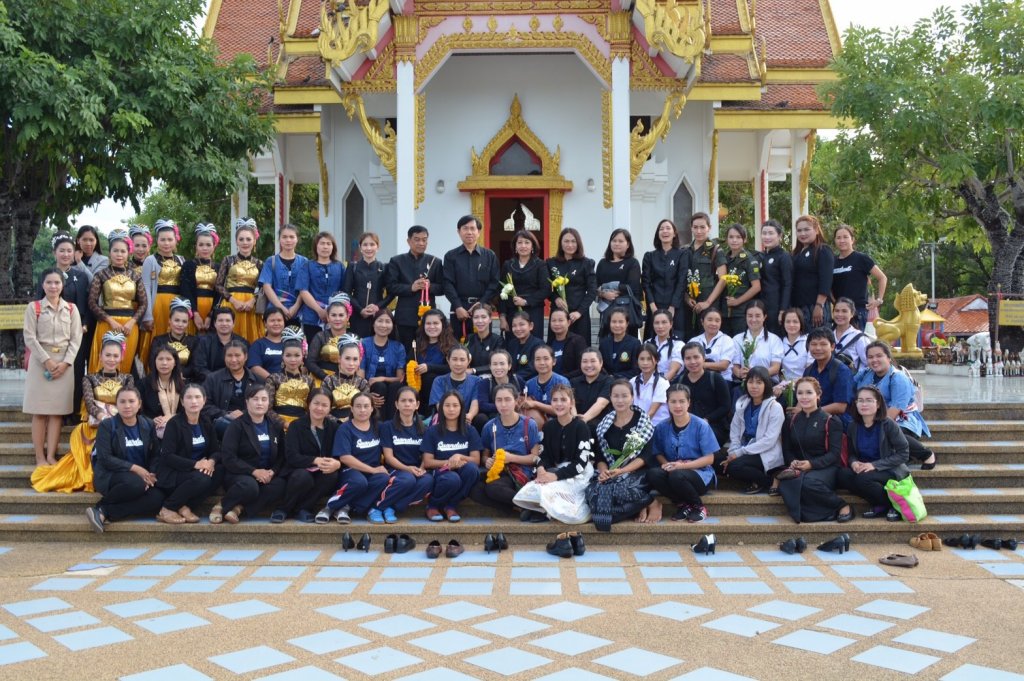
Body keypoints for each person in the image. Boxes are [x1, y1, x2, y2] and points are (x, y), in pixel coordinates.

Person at [32, 332, 133, 493]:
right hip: (95, 426)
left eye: (115, 355)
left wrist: (115, 420)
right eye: (107, 355)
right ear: (100, 356)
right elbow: (89, 403)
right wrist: (103, 417)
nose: (111, 359)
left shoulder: (128, 379)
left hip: (120, 424)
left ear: (122, 357)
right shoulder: (89, 378)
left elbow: (129, 402)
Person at [24, 268, 83, 465]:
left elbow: (76, 338)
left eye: (57, 282)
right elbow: (29, 337)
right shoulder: (34, 308)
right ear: (42, 285)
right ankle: (39, 456)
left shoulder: (72, 309)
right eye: (49, 282)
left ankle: (51, 455)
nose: (53, 286)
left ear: (62, 285)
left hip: (64, 364)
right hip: (40, 363)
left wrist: (66, 363)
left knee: (57, 413)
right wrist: (46, 361)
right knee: (39, 412)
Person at [84, 386, 163, 533]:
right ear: (116, 405)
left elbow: (155, 454)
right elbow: (105, 458)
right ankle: (103, 505)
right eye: (122, 402)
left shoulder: (148, 424)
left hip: (140, 478)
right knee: (136, 484)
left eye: (131, 401)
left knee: (157, 498)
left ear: (139, 404)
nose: (127, 406)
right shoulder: (107, 425)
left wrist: (151, 474)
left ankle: (104, 511)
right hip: (111, 475)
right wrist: (136, 469)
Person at [513, 384, 595, 524]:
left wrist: (555, 476)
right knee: (533, 487)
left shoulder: (581, 427)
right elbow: (544, 455)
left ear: (571, 403)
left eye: (563, 400)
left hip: (578, 473)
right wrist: (541, 468)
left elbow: (581, 463)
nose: (559, 404)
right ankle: (543, 509)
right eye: (555, 400)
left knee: (550, 489)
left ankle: (545, 511)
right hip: (555, 470)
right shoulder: (549, 426)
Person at [777, 377, 852, 523]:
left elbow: (834, 454)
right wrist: (793, 462)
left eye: (809, 392)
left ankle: (842, 505)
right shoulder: (791, 420)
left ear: (818, 395)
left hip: (826, 468)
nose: (804, 397)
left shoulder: (831, 420)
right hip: (799, 467)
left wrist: (811, 464)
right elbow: (787, 449)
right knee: (788, 483)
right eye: (800, 393)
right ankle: (824, 512)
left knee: (806, 483)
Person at [586, 379, 657, 530]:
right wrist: (604, 471)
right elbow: (600, 456)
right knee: (592, 491)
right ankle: (638, 507)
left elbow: (645, 457)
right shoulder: (604, 424)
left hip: (637, 472)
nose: (620, 400)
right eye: (616, 396)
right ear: (610, 398)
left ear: (632, 397)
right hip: (612, 472)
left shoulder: (643, 422)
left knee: (616, 491)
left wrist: (622, 470)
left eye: (624, 396)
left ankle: (651, 501)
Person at [853, 341, 936, 468]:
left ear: (888, 357)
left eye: (879, 356)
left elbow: (895, 410)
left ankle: (926, 454)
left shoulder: (898, 378)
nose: (874, 360)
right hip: (870, 418)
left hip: (901, 420)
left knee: (886, 431)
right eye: (870, 357)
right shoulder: (865, 373)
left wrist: (873, 426)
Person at [215, 385, 286, 524]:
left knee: (281, 485)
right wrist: (254, 471)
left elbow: (282, 456)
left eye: (264, 399)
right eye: (255, 399)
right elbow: (229, 458)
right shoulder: (236, 426)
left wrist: (272, 471)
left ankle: (239, 508)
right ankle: (221, 505)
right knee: (250, 487)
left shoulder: (275, 426)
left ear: (269, 403)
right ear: (247, 402)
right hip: (240, 473)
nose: (260, 403)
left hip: (265, 475)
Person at [648, 384, 720, 522]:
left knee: (677, 475)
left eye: (682, 401)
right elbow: (658, 453)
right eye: (673, 401)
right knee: (653, 474)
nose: (677, 405)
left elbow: (709, 459)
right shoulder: (662, 427)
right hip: (674, 472)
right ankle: (683, 505)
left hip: (700, 475)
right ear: (667, 403)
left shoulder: (701, 425)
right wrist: (667, 464)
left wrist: (681, 466)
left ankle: (699, 507)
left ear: (688, 402)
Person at [836, 386, 909, 522]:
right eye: (860, 400)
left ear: (878, 404)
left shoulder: (888, 424)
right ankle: (880, 504)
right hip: (865, 469)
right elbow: (851, 454)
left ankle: (894, 505)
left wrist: (874, 465)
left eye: (869, 400)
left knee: (863, 479)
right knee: (842, 475)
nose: (864, 404)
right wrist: (854, 463)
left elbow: (903, 453)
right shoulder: (853, 426)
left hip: (888, 469)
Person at [38, 234, 91, 419]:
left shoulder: (81, 276)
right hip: (52, 334)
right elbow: (39, 303)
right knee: (53, 370)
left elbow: (86, 303)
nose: (66, 254)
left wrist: (84, 324)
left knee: (75, 370)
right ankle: (52, 411)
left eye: (69, 251)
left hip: (76, 332)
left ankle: (73, 410)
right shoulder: (47, 275)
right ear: (55, 253)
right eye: (62, 251)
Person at [154, 383, 222, 524]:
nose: (194, 401)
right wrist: (196, 464)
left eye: (197, 397)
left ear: (204, 400)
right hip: (174, 472)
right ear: (182, 401)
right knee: (202, 479)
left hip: (197, 471)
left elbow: (216, 450)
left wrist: (211, 462)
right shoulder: (174, 423)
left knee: (220, 471)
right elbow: (167, 456)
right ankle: (167, 508)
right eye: (189, 397)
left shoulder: (206, 421)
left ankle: (184, 506)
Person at [471, 385, 539, 518]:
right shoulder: (489, 426)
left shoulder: (529, 424)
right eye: (499, 400)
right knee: (473, 488)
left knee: (493, 488)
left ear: (516, 401)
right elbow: (485, 455)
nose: (503, 404)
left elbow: (535, 458)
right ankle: (519, 508)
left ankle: (529, 506)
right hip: (498, 471)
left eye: (507, 399)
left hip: (520, 472)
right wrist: (487, 461)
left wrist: (511, 458)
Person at [87, 229, 147, 374]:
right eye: (115, 251)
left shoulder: (135, 276)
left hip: (129, 327)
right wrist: (110, 321)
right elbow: (92, 302)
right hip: (107, 323)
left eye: (123, 251)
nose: (119, 254)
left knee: (125, 363)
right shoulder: (101, 275)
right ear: (110, 253)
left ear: (128, 253)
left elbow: (143, 303)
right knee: (103, 364)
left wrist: (132, 322)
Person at [326, 392, 392, 524]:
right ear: (351, 409)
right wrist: (373, 470)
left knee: (384, 478)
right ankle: (330, 506)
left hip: (371, 471)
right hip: (350, 471)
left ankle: (349, 507)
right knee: (359, 482)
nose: (362, 410)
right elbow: (345, 458)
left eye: (366, 406)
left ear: (372, 408)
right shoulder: (344, 428)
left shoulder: (378, 427)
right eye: (358, 406)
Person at [418, 391, 483, 522]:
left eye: (455, 405)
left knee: (472, 470)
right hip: (440, 472)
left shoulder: (470, 430)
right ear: (441, 408)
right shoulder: (432, 431)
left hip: (462, 469)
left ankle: (451, 506)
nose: (451, 409)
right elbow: (428, 462)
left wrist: (459, 456)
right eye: (447, 405)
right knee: (452, 479)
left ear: (461, 408)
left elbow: (476, 460)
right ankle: (433, 506)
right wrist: (449, 463)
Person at [280, 388, 340, 523]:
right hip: (298, 469)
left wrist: (337, 463)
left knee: (332, 475)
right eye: (316, 403)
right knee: (303, 476)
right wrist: (314, 460)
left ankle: (303, 508)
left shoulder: (334, 427)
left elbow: (339, 454)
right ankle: (284, 508)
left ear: (330, 408)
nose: (319, 408)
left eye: (324, 405)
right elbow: (291, 456)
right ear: (308, 404)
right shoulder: (296, 425)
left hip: (322, 471)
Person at [724, 366, 785, 494]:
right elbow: (735, 432)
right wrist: (733, 451)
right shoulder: (742, 404)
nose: (754, 386)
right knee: (717, 461)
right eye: (750, 382)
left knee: (734, 467)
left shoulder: (775, 407)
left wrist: (739, 453)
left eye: (759, 382)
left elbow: (769, 441)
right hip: (744, 449)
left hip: (764, 451)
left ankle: (770, 481)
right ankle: (755, 479)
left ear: (766, 384)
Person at [377, 387, 433, 523]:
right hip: (395, 469)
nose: (407, 404)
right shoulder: (387, 426)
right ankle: (377, 507)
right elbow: (388, 457)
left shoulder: (425, 429)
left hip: (415, 469)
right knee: (408, 480)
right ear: (396, 404)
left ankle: (392, 507)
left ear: (417, 405)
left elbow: (426, 455)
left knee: (428, 480)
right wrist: (408, 469)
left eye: (411, 401)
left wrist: (421, 468)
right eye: (403, 401)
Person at [386, 225, 443, 352]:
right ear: (409, 241)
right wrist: (411, 287)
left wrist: (430, 286)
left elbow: (442, 288)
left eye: (424, 240)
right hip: (405, 316)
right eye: (417, 239)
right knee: (406, 350)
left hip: (428, 317)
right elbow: (391, 286)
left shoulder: (435, 262)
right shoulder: (397, 261)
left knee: (427, 350)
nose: (421, 243)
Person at [443, 215, 500, 341]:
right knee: (458, 344)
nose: (469, 232)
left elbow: (494, 283)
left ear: (478, 232)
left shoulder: (489, 256)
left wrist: (482, 303)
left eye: (472, 228)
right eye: (465, 228)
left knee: (483, 343)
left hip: (482, 308)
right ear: (459, 232)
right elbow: (447, 283)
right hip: (459, 309)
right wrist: (457, 306)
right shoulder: (450, 256)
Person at [140, 218, 185, 362]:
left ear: (176, 240)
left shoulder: (181, 260)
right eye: (163, 239)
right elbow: (146, 287)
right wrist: (148, 315)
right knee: (158, 339)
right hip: (158, 305)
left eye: (170, 239)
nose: (166, 243)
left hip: (176, 305)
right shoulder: (150, 260)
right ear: (157, 241)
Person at [216, 217, 264, 343]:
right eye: (241, 239)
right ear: (236, 241)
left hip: (251, 306)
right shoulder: (228, 260)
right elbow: (219, 285)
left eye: (248, 239)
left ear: (254, 241)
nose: (245, 242)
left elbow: (263, 287)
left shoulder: (259, 263)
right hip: (231, 304)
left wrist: (253, 301)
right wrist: (233, 301)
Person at [201, 339, 262, 438]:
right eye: (229, 355)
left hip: (251, 424)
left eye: (237, 355)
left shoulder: (257, 380)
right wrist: (227, 414)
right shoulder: (212, 379)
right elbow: (204, 404)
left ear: (245, 356)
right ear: (224, 357)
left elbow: (264, 405)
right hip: (221, 426)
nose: (233, 360)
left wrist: (244, 414)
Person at [833, 224, 887, 331]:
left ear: (852, 240)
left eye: (845, 237)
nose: (842, 240)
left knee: (854, 340)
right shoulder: (832, 261)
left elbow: (882, 278)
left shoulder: (861, 259)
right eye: (838, 238)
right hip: (838, 311)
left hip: (857, 311)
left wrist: (879, 300)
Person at [546, 227, 597, 341]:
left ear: (578, 243)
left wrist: (579, 312)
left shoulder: (586, 263)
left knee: (580, 347)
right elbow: (546, 287)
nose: (570, 245)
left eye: (573, 241)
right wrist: (555, 298)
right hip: (558, 314)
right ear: (561, 243)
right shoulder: (551, 263)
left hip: (579, 314)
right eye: (566, 241)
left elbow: (592, 290)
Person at [678, 342, 732, 446]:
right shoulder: (679, 381)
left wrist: (707, 419)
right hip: (686, 425)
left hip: (713, 425)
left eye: (696, 357)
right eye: (688, 358)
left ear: (703, 358)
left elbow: (725, 406)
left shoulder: (716, 379)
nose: (692, 362)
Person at [642, 219, 687, 340]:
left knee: (676, 340)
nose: (665, 231)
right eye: (661, 229)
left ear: (674, 233)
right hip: (654, 305)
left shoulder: (682, 254)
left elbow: (682, 281)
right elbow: (646, 282)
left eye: (668, 228)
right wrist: (652, 306)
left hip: (676, 306)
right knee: (652, 342)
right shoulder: (649, 256)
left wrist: (673, 306)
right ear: (658, 234)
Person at [684, 212, 727, 340]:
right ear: (691, 228)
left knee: (709, 338)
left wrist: (708, 302)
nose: (699, 231)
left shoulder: (715, 250)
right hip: (688, 305)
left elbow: (723, 279)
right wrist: (686, 298)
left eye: (702, 227)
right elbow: (680, 278)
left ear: (709, 228)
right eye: (695, 227)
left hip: (709, 304)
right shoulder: (684, 250)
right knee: (690, 339)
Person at [343, 232, 393, 339]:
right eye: (365, 245)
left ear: (377, 247)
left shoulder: (384, 268)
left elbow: (391, 293)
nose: (368, 248)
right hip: (356, 315)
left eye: (372, 244)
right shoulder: (353, 267)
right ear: (360, 247)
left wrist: (378, 307)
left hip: (378, 316)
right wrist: (360, 310)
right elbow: (346, 292)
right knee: (357, 344)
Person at [499, 230, 548, 339]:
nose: (523, 246)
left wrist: (526, 302)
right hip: (512, 311)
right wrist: (502, 316)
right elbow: (502, 292)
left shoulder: (540, 265)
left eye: (527, 242)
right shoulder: (508, 265)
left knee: (534, 344)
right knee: (513, 344)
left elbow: (545, 289)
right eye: (520, 242)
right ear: (515, 246)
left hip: (533, 311)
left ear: (532, 246)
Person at [300, 231, 347, 341]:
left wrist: (332, 312)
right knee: (314, 347)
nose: (325, 247)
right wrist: (319, 311)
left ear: (333, 247)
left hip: (336, 317)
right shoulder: (307, 266)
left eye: (328, 244)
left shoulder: (340, 266)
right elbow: (303, 291)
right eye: (322, 243)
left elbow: (344, 291)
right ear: (316, 246)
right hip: (312, 316)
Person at [801, 327, 854, 426]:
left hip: (836, 423)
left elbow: (841, 406)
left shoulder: (841, 371)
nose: (818, 348)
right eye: (813, 344)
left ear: (832, 346)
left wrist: (812, 412)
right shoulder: (809, 370)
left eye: (823, 344)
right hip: (813, 419)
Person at [360, 309, 406, 420]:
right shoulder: (363, 343)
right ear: (373, 324)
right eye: (380, 321)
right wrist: (366, 393)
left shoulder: (398, 347)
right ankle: (377, 423)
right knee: (380, 386)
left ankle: (392, 423)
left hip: (391, 388)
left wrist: (382, 378)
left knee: (396, 386)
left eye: (387, 321)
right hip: (369, 387)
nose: (383, 325)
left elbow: (400, 378)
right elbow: (360, 376)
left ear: (392, 325)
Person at [265, 328, 315, 429]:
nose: (293, 359)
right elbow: (267, 408)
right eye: (288, 355)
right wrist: (284, 424)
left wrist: (303, 425)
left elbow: (312, 408)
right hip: (278, 427)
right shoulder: (273, 378)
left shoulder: (309, 380)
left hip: (302, 426)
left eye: (297, 355)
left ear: (302, 356)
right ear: (282, 357)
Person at [258, 223, 308, 324]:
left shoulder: (304, 262)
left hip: (299, 313)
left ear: (297, 239)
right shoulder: (271, 261)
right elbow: (266, 287)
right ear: (279, 239)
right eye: (284, 237)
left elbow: (305, 287)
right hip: (275, 312)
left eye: (291, 237)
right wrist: (281, 308)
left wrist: (296, 307)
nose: (288, 240)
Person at [596, 228, 642, 336]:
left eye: (621, 241)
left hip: (627, 312)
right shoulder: (602, 263)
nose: (617, 243)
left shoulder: (633, 263)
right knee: (607, 342)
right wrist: (603, 294)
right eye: (614, 240)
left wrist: (609, 287)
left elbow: (632, 287)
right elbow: (595, 286)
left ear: (628, 244)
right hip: (607, 312)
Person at [791, 215, 834, 328]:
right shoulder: (795, 254)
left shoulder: (823, 250)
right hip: (798, 306)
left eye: (807, 229)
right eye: (799, 230)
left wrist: (819, 305)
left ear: (816, 230)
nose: (803, 233)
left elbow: (826, 281)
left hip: (815, 306)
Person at [721, 224, 762, 337]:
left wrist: (737, 301)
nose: (734, 240)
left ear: (745, 239)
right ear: (726, 239)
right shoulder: (724, 258)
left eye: (738, 237)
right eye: (731, 237)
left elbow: (756, 287)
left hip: (740, 312)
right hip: (724, 312)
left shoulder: (749, 259)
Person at [413, 309, 456, 413]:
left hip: (442, 386)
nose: (432, 327)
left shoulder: (451, 344)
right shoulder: (417, 344)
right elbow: (410, 362)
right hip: (419, 387)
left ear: (443, 325)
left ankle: (432, 414)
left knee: (430, 377)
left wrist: (429, 367)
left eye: (436, 323)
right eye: (428, 323)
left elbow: (452, 367)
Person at [180, 223, 220, 334]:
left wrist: (211, 315)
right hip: (192, 307)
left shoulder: (219, 267)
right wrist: (194, 313)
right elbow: (185, 289)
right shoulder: (188, 265)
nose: (204, 248)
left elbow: (219, 293)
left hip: (212, 309)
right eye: (201, 245)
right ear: (196, 246)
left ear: (214, 246)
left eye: (208, 245)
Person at [472, 350, 524, 432]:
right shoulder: (485, 383)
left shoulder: (517, 380)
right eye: (495, 364)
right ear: (490, 366)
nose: (498, 367)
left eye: (502, 364)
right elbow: (482, 404)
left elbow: (526, 397)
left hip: (515, 415)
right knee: (480, 418)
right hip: (493, 417)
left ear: (509, 366)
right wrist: (505, 407)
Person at [731, 301, 783, 384]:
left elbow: (775, 368)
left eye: (758, 316)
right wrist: (739, 373)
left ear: (764, 317)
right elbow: (735, 366)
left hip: (767, 383)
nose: (753, 319)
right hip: (744, 382)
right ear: (745, 317)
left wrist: (756, 375)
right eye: (750, 316)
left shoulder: (774, 340)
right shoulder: (737, 339)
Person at [149, 298, 199, 381]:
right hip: (162, 379)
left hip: (186, 380)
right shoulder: (158, 340)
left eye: (184, 321)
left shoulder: (194, 341)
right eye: (177, 320)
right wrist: (171, 374)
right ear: (169, 321)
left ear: (188, 323)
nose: (180, 324)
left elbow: (195, 365)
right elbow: (152, 363)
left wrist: (180, 374)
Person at [321, 335, 369, 421]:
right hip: (332, 425)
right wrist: (338, 422)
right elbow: (323, 408)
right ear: (339, 359)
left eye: (355, 359)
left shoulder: (362, 383)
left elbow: (365, 410)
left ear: (360, 360)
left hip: (356, 424)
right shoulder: (329, 381)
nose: (351, 363)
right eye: (347, 358)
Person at [306, 294, 351, 384]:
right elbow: (310, 362)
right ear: (328, 318)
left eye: (341, 315)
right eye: (333, 315)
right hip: (322, 380)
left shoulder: (352, 338)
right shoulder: (320, 336)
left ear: (347, 317)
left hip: (346, 381)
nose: (337, 319)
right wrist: (326, 377)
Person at [192, 307, 247, 382]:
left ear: (233, 324)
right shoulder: (203, 342)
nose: (224, 324)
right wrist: (217, 380)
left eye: (227, 320)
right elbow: (199, 368)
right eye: (220, 320)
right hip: (210, 382)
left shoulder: (242, 343)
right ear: (215, 323)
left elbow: (245, 367)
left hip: (235, 382)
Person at [429, 345, 482, 422]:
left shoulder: (476, 381)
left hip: (467, 420)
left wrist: (470, 415)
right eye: (454, 359)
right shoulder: (439, 381)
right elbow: (439, 405)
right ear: (448, 360)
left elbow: (475, 402)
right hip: (445, 420)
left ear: (469, 361)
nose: (458, 363)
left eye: (462, 360)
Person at [759, 219, 793, 337]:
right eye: (764, 233)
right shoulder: (761, 256)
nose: (767, 237)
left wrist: (783, 310)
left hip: (776, 307)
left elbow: (788, 284)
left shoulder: (784, 256)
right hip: (762, 307)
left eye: (771, 233)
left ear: (779, 236)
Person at [139, 347, 183, 436]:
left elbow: (187, 410)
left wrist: (172, 417)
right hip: (151, 430)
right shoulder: (143, 384)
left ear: (175, 363)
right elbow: (138, 410)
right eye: (160, 359)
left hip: (178, 428)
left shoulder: (183, 385)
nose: (164, 363)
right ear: (155, 362)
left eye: (168, 359)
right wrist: (151, 420)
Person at [522, 345, 570, 427]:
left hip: (559, 425)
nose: (542, 363)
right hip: (536, 426)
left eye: (546, 359)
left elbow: (564, 409)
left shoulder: (562, 382)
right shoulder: (529, 384)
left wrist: (535, 404)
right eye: (538, 359)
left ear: (554, 361)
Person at [688, 307, 735, 382]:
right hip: (697, 379)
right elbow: (687, 362)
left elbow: (724, 365)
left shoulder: (727, 340)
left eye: (717, 321)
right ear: (702, 321)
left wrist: (700, 364)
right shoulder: (694, 340)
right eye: (709, 320)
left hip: (722, 380)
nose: (713, 323)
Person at [571, 348, 612, 425]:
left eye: (593, 361)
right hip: (576, 424)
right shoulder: (573, 382)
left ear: (601, 363)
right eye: (585, 361)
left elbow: (601, 404)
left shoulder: (609, 381)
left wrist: (583, 420)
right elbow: (571, 404)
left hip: (600, 425)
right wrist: (575, 418)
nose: (589, 365)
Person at [632, 344, 670, 426]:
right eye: (642, 359)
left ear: (656, 360)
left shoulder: (662, 383)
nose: (645, 363)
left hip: (657, 426)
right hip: (636, 425)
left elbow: (652, 412)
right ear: (637, 361)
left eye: (649, 359)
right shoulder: (632, 381)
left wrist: (637, 428)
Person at [599, 308, 642, 378]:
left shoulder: (635, 343)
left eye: (621, 322)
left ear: (627, 324)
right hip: (606, 381)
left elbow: (636, 370)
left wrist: (614, 377)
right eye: (614, 322)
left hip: (626, 382)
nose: (617, 325)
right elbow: (600, 366)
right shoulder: (604, 343)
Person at [247, 308, 287, 381]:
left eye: (279, 320)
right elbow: (254, 367)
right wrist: (274, 380)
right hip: (266, 385)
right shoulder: (258, 345)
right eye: (272, 321)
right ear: (265, 323)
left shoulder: (290, 343)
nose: (276, 323)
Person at [547, 308, 587, 380]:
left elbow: (582, 368)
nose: (557, 324)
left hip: (571, 382)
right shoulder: (549, 343)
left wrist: (562, 379)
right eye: (553, 320)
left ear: (568, 322)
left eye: (560, 320)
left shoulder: (577, 341)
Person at [645, 310, 683, 382]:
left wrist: (658, 385)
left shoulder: (678, 344)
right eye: (657, 323)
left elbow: (673, 371)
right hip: (648, 382)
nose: (660, 326)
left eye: (664, 322)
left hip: (669, 383)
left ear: (671, 324)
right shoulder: (647, 343)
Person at [777, 308, 811, 389]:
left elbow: (810, 370)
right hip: (783, 386)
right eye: (788, 322)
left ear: (801, 323)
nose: (791, 325)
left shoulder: (809, 341)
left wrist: (790, 384)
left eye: (795, 322)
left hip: (804, 385)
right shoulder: (779, 342)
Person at [833, 297, 870, 372]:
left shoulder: (859, 337)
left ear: (852, 314)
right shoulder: (827, 334)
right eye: (837, 311)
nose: (840, 314)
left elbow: (868, 363)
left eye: (844, 311)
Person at [504, 311, 542, 383]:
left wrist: (513, 378)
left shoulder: (538, 344)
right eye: (514, 326)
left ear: (531, 326)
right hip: (512, 383)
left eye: (521, 324)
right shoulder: (512, 344)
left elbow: (532, 368)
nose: (518, 329)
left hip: (530, 383)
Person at [466, 303, 503, 376]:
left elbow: (497, 364)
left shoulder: (498, 340)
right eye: (476, 317)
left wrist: (474, 370)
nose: (480, 321)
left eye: (483, 317)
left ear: (490, 319)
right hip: (470, 378)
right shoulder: (469, 338)